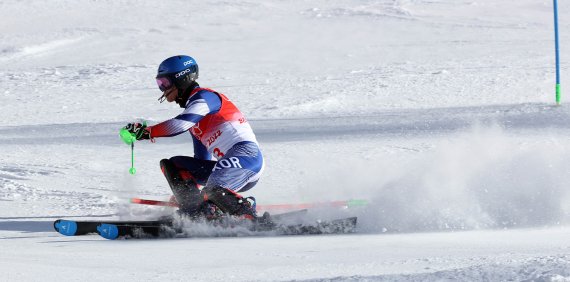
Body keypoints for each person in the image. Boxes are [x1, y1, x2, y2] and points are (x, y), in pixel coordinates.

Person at [123, 55, 264, 220]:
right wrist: (187, 196)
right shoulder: (196, 121)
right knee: (173, 164)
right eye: (159, 84)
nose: (162, 88)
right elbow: (201, 158)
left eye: (165, 83)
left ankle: (249, 215)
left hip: (247, 158)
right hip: (225, 166)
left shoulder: (205, 97)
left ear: (182, 79)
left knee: (212, 191)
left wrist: (146, 132)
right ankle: (196, 213)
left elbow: (180, 125)